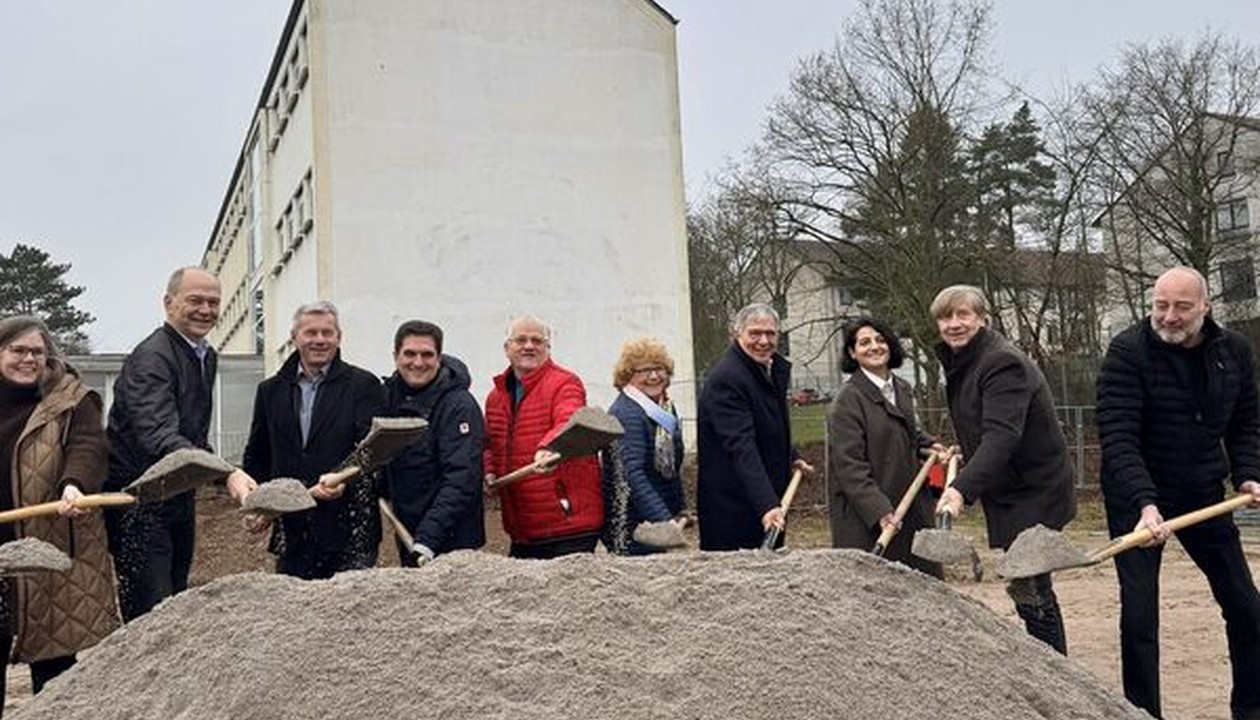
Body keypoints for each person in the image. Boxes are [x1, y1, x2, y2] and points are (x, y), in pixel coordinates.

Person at [1097, 266, 1260, 720]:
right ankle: (1143, 712)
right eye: (1160, 305)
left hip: (1204, 493)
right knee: (1141, 617)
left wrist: (1248, 474)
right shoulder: (1127, 352)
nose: (1168, 316)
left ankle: (1250, 708)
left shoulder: (1234, 351)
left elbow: (1246, 422)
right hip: (1137, 497)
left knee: (1247, 608)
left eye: (1181, 307)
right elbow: (1119, 435)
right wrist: (1145, 504)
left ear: (1205, 307)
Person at [105, 267, 256, 621]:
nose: (205, 309)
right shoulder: (153, 359)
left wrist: (224, 474)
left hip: (176, 495)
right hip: (138, 501)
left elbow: (193, 435)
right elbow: (160, 436)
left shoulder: (204, 355)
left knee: (175, 600)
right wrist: (227, 472)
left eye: (213, 302)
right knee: (151, 612)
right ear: (169, 304)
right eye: (195, 300)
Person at [931, 284, 1075, 654]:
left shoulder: (1000, 362)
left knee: (1031, 587)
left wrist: (960, 490)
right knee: (1026, 586)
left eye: (963, 314)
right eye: (946, 317)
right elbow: (987, 426)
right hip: (1013, 487)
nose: (954, 323)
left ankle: (1055, 671)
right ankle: (1046, 662)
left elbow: (1002, 437)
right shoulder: (966, 361)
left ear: (982, 319)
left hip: (1034, 490)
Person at [0, 317, 118, 710]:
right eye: (17, 350)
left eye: (37, 351)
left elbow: (89, 446)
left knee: (54, 672)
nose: (28, 359)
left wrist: (75, 484)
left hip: (47, 547)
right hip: (2, 549)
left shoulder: (71, 399)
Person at [242, 301, 386, 579]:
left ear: (338, 338)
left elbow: (371, 453)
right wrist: (257, 502)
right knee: (295, 615)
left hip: (349, 528)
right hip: (293, 528)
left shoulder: (363, 386)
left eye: (327, 333)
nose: (319, 340)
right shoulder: (270, 391)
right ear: (294, 338)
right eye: (310, 333)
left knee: (349, 615)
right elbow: (258, 455)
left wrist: (343, 480)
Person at [827, 318, 947, 577]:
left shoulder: (901, 388)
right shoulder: (848, 400)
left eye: (880, 340)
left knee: (924, 585)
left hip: (910, 505)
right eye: (864, 342)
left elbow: (906, 431)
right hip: (867, 516)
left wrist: (930, 444)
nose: (874, 347)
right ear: (852, 352)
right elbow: (849, 466)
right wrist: (879, 510)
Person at [483, 315, 603, 559]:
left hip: (568, 524)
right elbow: (490, 443)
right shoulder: (495, 397)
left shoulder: (565, 383)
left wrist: (550, 446)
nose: (529, 346)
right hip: (523, 527)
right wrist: (489, 469)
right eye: (521, 340)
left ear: (548, 348)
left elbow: (568, 417)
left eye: (537, 340)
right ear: (507, 348)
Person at [697, 303, 813, 551]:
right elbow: (741, 446)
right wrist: (767, 505)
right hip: (735, 509)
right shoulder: (728, 379)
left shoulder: (764, 370)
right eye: (755, 333)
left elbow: (767, 425)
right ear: (737, 334)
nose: (763, 341)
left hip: (765, 501)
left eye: (770, 334)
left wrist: (790, 457)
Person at [382, 320, 485, 566]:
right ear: (396, 356)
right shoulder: (388, 399)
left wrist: (428, 538)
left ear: (439, 357)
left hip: (453, 541)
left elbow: (462, 477)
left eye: (427, 354)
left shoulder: (459, 406)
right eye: (410, 354)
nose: (418, 362)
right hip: (410, 535)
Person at [601, 337, 686, 555]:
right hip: (631, 524)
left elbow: (672, 466)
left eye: (660, 369)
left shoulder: (665, 408)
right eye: (644, 370)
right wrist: (664, 521)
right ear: (627, 375)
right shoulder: (626, 413)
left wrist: (679, 508)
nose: (655, 376)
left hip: (654, 517)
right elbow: (632, 474)